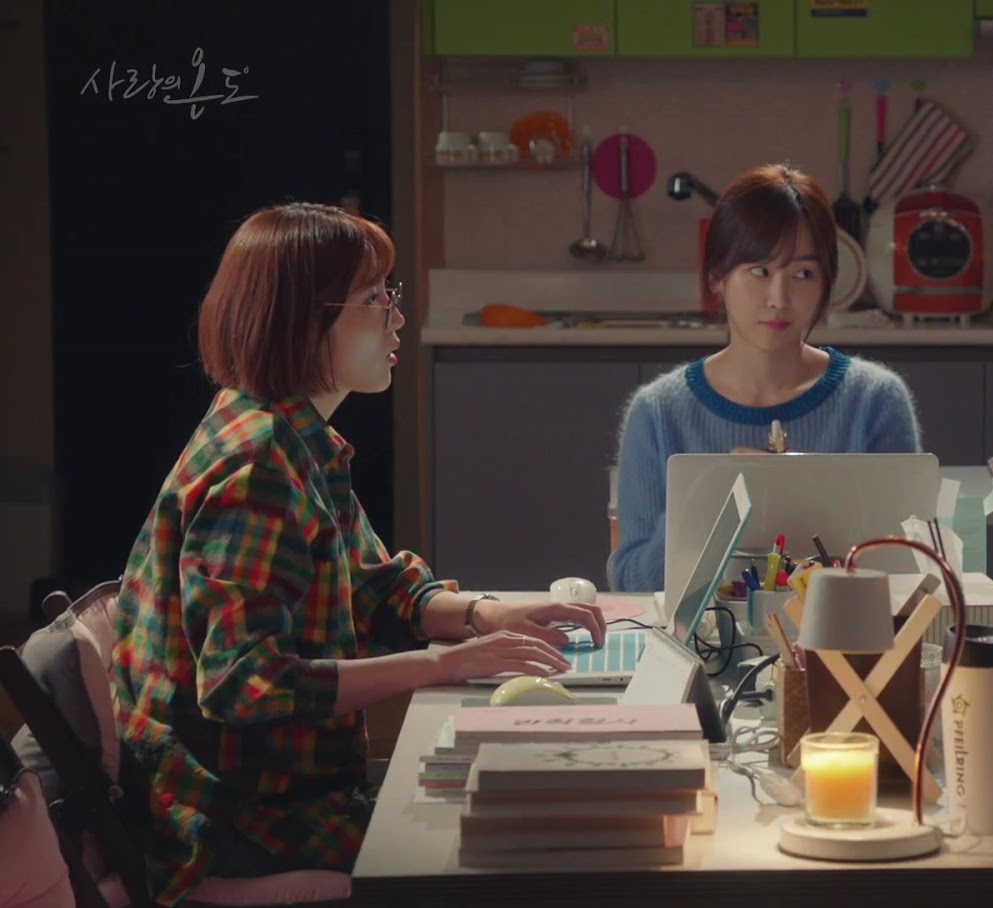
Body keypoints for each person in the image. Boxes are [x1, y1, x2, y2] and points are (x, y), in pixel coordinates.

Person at [111, 202, 606, 905]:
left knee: (533, 812)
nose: (396, 318)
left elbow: (376, 589)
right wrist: (444, 665)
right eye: (374, 299)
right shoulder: (257, 469)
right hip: (236, 821)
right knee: (531, 844)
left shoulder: (294, 439)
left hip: (285, 796)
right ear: (301, 320)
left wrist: (486, 615)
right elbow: (244, 682)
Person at [608, 163, 922, 593]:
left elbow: (905, 569)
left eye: (803, 274)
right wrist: (711, 501)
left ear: (826, 284)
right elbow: (632, 584)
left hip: (839, 633)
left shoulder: (875, 400)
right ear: (717, 278)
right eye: (760, 271)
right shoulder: (658, 412)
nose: (779, 299)